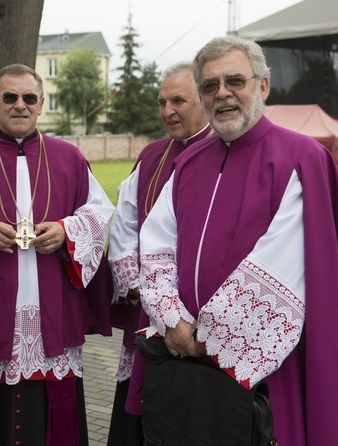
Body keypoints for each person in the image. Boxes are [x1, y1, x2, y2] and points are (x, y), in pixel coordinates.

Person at [138, 35, 338, 444]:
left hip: (268, 360)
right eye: (209, 85)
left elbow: (282, 262)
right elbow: (156, 245)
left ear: (263, 86)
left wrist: (205, 334)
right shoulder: (187, 163)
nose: (223, 94)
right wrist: (172, 319)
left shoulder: (302, 159)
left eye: (235, 80)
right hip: (187, 354)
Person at [0, 63, 114, 445]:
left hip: (51, 303)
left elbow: (98, 213)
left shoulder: (69, 157)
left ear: (41, 104)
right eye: (10, 97)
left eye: (29, 98)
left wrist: (67, 230)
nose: (20, 105)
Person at [106, 61, 211, 446]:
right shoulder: (152, 155)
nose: (167, 111)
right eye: (162, 102)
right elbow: (126, 220)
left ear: (204, 99)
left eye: (178, 100)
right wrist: (134, 280)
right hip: (151, 301)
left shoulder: (224, 150)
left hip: (204, 307)